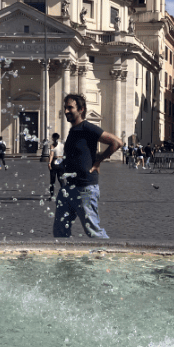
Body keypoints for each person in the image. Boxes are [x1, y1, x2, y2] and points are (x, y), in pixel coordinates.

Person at [53, 93, 121, 239]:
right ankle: (65, 260)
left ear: (81, 109)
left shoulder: (88, 127)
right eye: (65, 108)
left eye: (70, 108)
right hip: (68, 187)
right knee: (59, 230)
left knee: (93, 232)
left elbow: (117, 142)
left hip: (85, 188)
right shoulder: (73, 130)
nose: (66, 111)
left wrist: (98, 161)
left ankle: (106, 256)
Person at [47, 132, 64, 200]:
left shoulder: (53, 145)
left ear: (53, 138)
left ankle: (52, 196)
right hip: (61, 162)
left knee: (52, 180)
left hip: (55, 162)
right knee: (61, 180)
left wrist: (49, 163)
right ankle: (64, 194)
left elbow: (51, 155)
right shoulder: (62, 145)